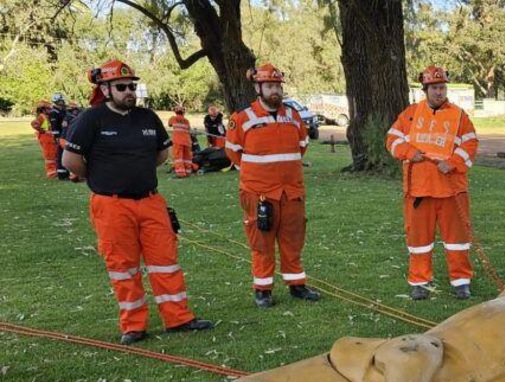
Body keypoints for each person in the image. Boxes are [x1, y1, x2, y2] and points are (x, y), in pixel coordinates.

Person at [62, 59, 214, 345]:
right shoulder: (91, 119)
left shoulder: (147, 118)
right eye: (121, 87)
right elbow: (70, 161)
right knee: (123, 266)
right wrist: (102, 179)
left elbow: (160, 155)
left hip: (150, 201)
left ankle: (178, 317)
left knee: (165, 262)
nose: (129, 91)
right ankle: (134, 325)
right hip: (111, 205)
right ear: (105, 90)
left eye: (132, 86)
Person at [224, 63, 320, 308]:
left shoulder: (293, 116)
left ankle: (297, 285)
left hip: (292, 191)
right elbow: (233, 152)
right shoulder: (242, 118)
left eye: (277, 86)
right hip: (259, 193)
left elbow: (302, 145)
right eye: (269, 86)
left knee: (293, 239)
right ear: (258, 88)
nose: (274, 90)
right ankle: (263, 289)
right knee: (262, 242)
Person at [385, 65, 478, 300]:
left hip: (451, 190)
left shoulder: (459, 116)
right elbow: (392, 139)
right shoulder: (410, 114)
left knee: (457, 239)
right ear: (425, 89)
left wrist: (454, 162)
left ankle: (461, 281)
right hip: (419, 190)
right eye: (435, 88)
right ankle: (420, 282)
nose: (439, 92)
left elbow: (470, 144)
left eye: (442, 87)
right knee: (419, 241)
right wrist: (408, 152)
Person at [30, 100, 58, 179]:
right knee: (49, 156)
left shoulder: (47, 116)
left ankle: (54, 170)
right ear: (43, 109)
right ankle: (51, 172)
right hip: (46, 138)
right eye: (48, 109)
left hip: (49, 138)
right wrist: (41, 130)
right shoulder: (41, 116)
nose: (50, 110)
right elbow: (34, 124)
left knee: (54, 154)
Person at [48, 94, 70, 180]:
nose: (63, 101)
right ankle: (62, 174)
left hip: (65, 134)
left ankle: (67, 172)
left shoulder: (62, 110)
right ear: (57, 101)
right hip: (60, 136)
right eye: (61, 100)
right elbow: (54, 126)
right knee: (61, 154)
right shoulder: (54, 112)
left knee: (66, 153)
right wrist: (57, 136)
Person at [168, 106, 194, 177]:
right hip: (187, 141)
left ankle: (181, 173)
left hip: (178, 141)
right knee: (187, 157)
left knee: (178, 157)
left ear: (175, 112)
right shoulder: (186, 121)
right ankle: (188, 172)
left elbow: (169, 124)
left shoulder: (173, 118)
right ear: (183, 112)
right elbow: (189, 130)